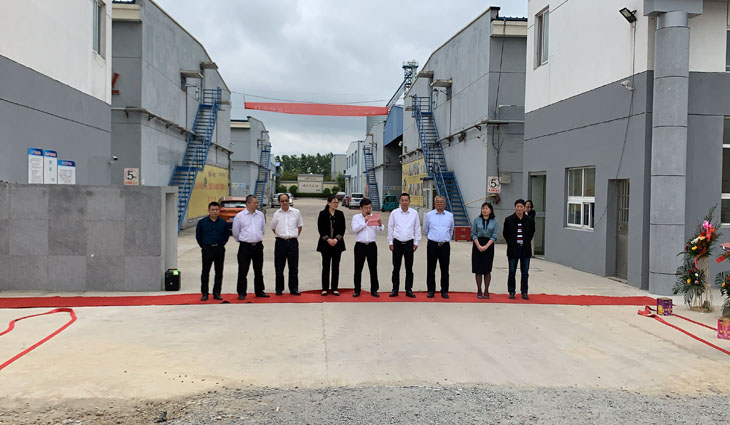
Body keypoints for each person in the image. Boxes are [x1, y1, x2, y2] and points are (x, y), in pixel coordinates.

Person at [232, 195, 269, 299]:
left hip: (258, 246)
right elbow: (235, 232)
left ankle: (259, 291)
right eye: (254, 203)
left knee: (258, 270)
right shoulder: (240, 216)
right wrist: (243, 240)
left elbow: (262, 229)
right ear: (248, 203)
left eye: (257, 202)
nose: (256, 204)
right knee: (243, 270)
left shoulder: (260, 215)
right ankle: (241, 292)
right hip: (245, 247)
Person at [388, 192, 421, 298]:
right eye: (402, 200)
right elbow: (390, 227)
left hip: (409, 243)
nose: (404, 202)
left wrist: (416, 242)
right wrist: (390, 242)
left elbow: (417, 228)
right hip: (397, 243)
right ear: (399, 201)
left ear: (409, 201)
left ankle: (409, 289)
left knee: (409, 268)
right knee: (396, 268)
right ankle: (395, 289)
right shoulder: (394, 213)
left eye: (406, 200)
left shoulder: (414, 213)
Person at [195, 201, 230, 301]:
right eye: (212, 210)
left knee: (219, 272)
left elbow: (226, 236)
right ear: (208, 211)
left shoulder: (223, 222)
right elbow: (198, 236)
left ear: (219, 211)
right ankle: (204, 293)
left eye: (216, 210)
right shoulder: (202, 222)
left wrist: (221, 244)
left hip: (219, 249)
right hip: (207, 249)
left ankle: (217, 293)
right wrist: (204, 246)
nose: (214, 212)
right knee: (205, 272)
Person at [270, 193, 303, 296]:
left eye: (286, 200)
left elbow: (299, 227)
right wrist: (282, 236)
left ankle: (294, 288)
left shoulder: (296, 212)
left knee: (293, 267)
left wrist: (293, 236)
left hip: (292, 242)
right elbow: (273, 228)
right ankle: (279, 289)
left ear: (289, 201)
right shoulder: (276, 214)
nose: (284, 203)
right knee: (279, 267)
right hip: (280, 242)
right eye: (282, 201)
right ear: (279, 202)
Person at [503, 199, 535, 300]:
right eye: (518, 206)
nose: (519, 208)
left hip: (525, 249)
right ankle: (511, 291)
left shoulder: (529, 220)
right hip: (513, 249)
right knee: (512, 271)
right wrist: (511, 242)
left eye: (521, 207)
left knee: (525, 272)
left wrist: (526, 241)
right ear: (515, 207)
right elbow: (505, 233)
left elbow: (532, 232)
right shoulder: (509, 220)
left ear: (524, 208)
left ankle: (524, 291)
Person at [423, 196, 454, 298]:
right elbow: (426, 229)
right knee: (431, 268)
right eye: (437, 202)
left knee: (445, 269)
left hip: (444, 245)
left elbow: (451, 230)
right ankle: (431, 290)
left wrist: (445, 238)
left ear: (445, 204)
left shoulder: (450, 216)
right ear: (434, 203)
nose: (439, 204)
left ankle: (444, 290)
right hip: (432, 244)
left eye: (441, 202)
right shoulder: (429, 215)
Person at [351, 198, 382, 297]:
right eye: (366, 208)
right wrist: (364, 222)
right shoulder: (356, 217)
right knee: (358, 269)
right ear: (361, 208)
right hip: (360, 246)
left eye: (369, 208)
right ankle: (357, 290)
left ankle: (374, 289)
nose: (368, 210)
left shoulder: (374, 217)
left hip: (371, 245)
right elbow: (354, 229)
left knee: (373, 268)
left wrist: (380, 224)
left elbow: (380, 230)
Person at [317, 194, 346, 296]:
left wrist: (336, 239)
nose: (336, 204)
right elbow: (320, 229)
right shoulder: (322, 214)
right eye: (334, 202)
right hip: (325, 244)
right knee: (326, 266)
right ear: (329, 203)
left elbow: (342, 229)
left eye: (337, 202)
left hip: (337, 244)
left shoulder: (340, 214)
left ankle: (334, 288)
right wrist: (328, 239)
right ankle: (325, 288)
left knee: (335, 267)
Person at [471, 202, 498, 299]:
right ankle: (479, 289)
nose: (484, 210)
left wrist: (486, 246)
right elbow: (473, 233)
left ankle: (486, 290)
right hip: (477, 244)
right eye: (483, 208)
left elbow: (494, 235)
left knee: (487, 269)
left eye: (486, 208)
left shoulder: (494, 222)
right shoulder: (476, 220)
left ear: (490, 210)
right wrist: (478, 245)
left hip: (489, 245)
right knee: (478, 269)